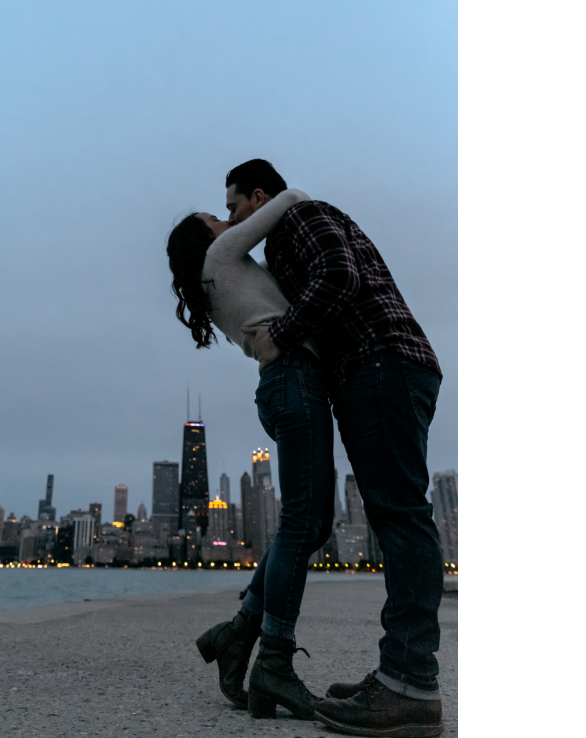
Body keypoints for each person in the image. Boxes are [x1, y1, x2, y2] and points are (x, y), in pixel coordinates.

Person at [224, 159, 445, 738]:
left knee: (400, 514)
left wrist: (280, 332)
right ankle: (399, 674)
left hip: (381, 361)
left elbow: (339, 278)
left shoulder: (298, 217)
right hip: (379, 367)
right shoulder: (284, 242)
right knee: (395, 512)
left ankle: (409, 686)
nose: (232, 221)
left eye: (234, 207)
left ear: (259, 196)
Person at [166, 187, 334, 722]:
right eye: (217, 217)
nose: (227, 220)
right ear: (204, 238)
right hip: (292, 381)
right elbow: (289, 201)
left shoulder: (216, 279)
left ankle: (238, 634)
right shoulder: (220, 256)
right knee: (302, 522)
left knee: (313, 524)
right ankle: (273, 662)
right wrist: (270, 196)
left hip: (288, 383)